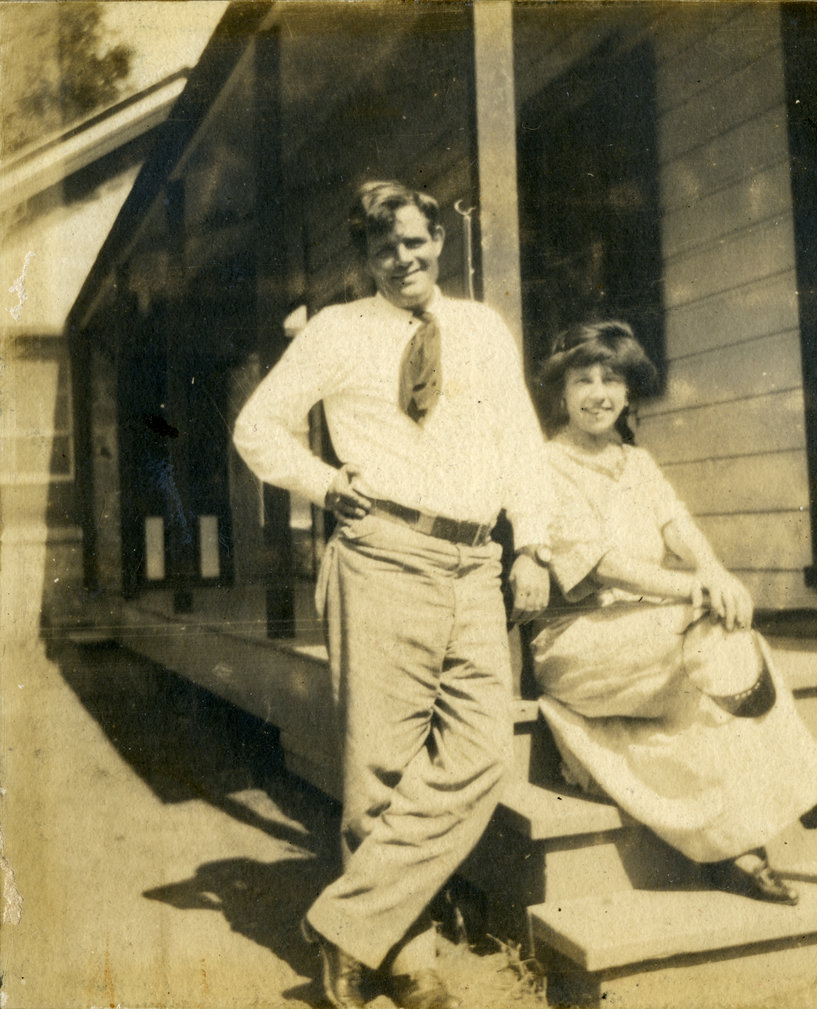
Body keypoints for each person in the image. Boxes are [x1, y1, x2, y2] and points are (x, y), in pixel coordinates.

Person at [233, 181, 552, 1009]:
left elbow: (520, 440)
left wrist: (534, 545)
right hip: (383, 552)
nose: (403, 259)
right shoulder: (338, 331)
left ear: (439, 241)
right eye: (384, 248)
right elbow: (257, 426)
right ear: (366, 258)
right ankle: (406, 959)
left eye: (414, 242)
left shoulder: (481, 329)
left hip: (476, 560)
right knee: (381, 763)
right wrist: (323, 481)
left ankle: (344, 924)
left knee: (482, 752)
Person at [529, 320, 817, 906]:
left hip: (648, 634)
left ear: (628, 390)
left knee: (724, 668)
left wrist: (717, 573)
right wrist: (697, 590)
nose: (598, 394)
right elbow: (604, 566)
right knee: (720, 646)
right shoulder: (546, 464)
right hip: (578, 640)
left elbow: (679, 527)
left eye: (611, 379)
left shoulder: (635, 462)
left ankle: (740, 853)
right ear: (561, 392)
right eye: (583, 380)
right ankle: (816, 786)